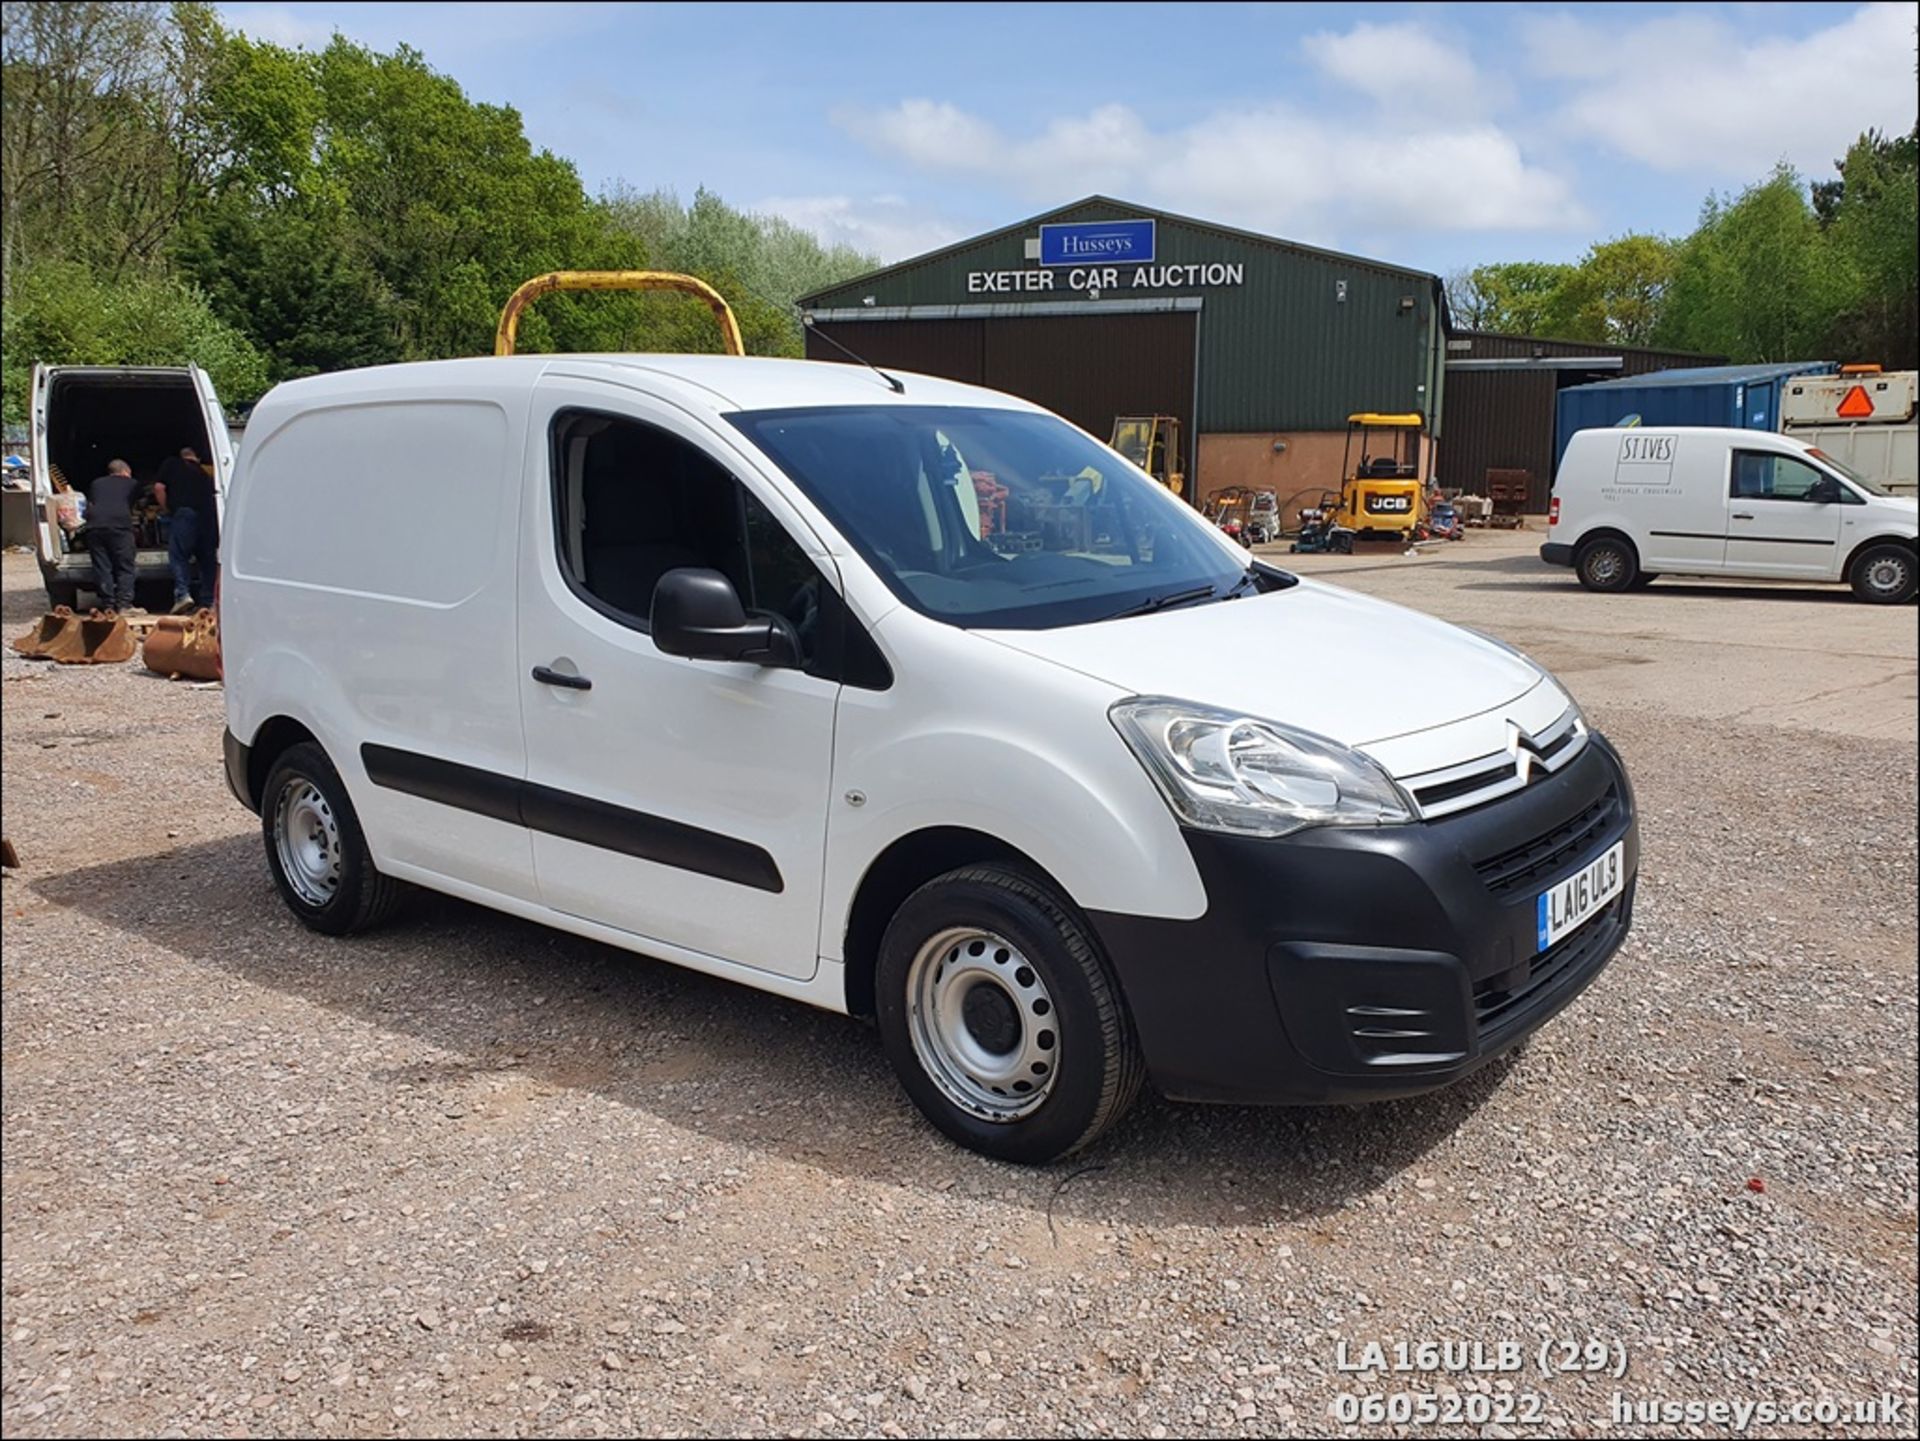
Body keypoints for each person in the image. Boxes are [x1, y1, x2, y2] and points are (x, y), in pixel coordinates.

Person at [155, 445, 218, 612]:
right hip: (208, 516)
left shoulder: (172, 464)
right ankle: (209, 601)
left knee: (179, 556)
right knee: (207, 559)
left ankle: (183, 595)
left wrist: (167, 509)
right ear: (196, 457)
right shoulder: (209, 471)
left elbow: (159, 488)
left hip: (185, 515)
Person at [81, 459, 139, 612]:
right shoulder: (132, 483)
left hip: (94, 527)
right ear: (126, 472)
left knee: (102, 566)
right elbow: (134, 504)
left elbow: (93, 503)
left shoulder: (96, 483)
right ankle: (124, 605)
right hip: (119, 526)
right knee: (125, 566)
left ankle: (107, 604)